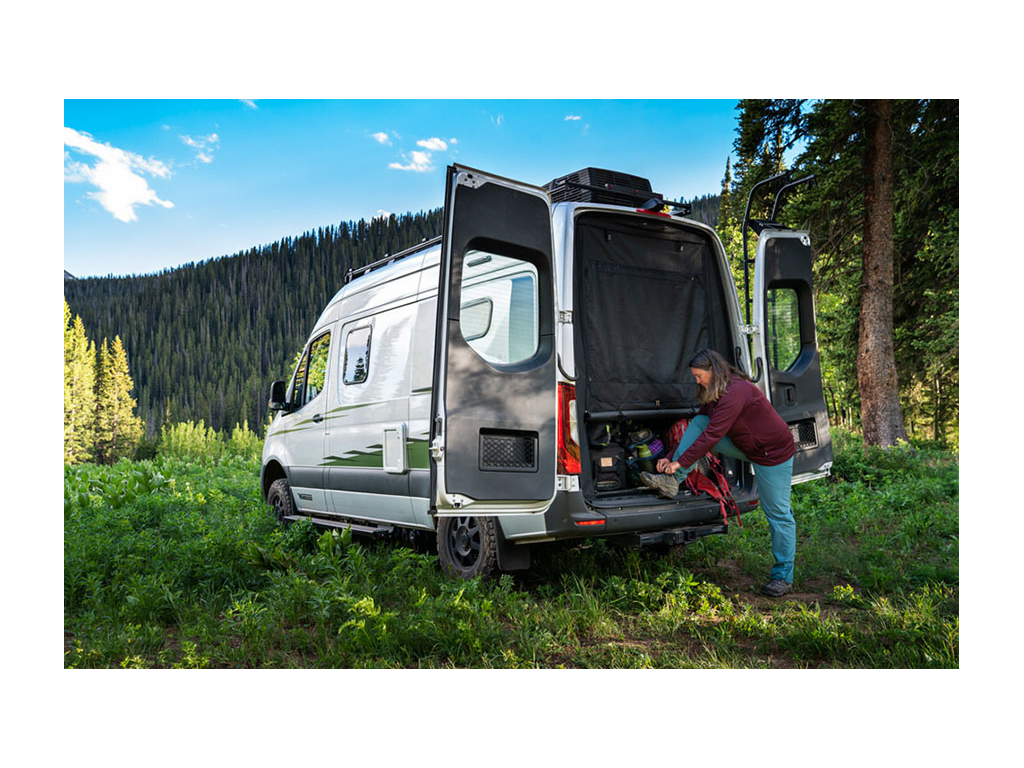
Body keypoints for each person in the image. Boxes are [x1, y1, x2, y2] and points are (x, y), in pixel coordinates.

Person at [639, 348, 797, 598]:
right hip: (746, 445)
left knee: (778, 513)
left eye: (699, 375)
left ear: (712, 370)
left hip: (771, 453)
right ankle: (673, 482)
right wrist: (671, 457)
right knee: (698, 422)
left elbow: (713, 435)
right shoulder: (715, 391)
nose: (697, 381)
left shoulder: (736, 391)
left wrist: (680, 461)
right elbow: (703, 423)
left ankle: (782, 577)